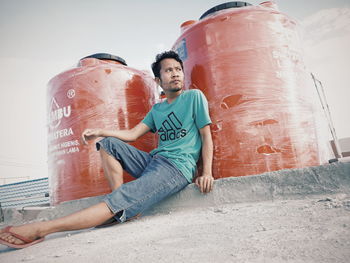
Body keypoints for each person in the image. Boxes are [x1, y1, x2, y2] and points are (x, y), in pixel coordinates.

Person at [0, 50, 214, 249]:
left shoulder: (193, 97)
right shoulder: (157, 109)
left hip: (176, 168)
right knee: (108, 144)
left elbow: (206, 136)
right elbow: (132, 134)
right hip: (153, 161)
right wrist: (99, 131)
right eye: (168, 70)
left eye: (178, 69)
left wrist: (206, 173)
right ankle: (120, 202)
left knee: (121, 196)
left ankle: (41, 229)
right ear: (158, 81)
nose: (175, 74)